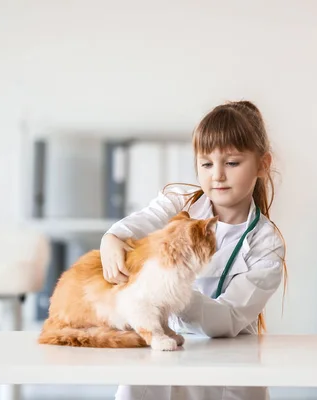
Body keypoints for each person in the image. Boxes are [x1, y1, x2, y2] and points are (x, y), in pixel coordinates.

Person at [100, 100, 288, 400]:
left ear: (263, 165)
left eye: (232, 163)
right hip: (161, 356)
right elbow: (141, 222)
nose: (217, 175)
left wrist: (172, 292)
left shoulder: (266, 245)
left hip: (229, 374)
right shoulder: (179, 203)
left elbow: (228, 320)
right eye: (206, 163)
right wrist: (112, 237)